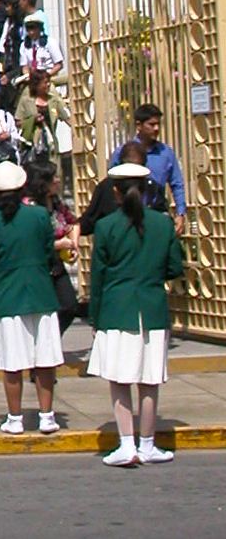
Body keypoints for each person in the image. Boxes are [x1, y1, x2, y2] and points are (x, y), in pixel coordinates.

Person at [87, 163, 184, 466]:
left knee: (119, 379)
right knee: (149, 380)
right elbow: (174, 268)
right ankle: (148, 443)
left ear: (115, 191)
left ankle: (126, 443)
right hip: (152, 307)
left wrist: (95, 315)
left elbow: (99, 275)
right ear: (145, 190)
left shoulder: (105, 226)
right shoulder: (163, 224)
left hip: (117, 308)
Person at [0, 162, 63, 435]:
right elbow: (49, 251)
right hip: (41, 292)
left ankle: (15, 418)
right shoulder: (38, 216)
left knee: (11, 363)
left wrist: (0, 281)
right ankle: (46, 415)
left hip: (7, 295)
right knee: (45, 360)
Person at [109, 103, 186, 235]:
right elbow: (111, 184)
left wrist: (181, 213)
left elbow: (177, 184)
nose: (156, 128)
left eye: (158, 124)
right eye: (151, 124)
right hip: (129, 216)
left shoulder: (166, 153)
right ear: (139, 125)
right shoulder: (123, 152)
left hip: (157, 213)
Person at [22, 162, 81, 336]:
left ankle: (52, 339)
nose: (57, 181)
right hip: (38, 263)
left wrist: (73, 243)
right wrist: (58, 244)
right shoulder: (29, 207)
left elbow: (73, 222)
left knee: (69, 305)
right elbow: (31, 240)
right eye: (52, 178)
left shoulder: (56, 203)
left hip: (56, 263)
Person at [80, 141, 167, 235]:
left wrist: (73, 227)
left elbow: (88, 223)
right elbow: (162, 218)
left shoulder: (106, 186)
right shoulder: (152, 187)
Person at [15, 69, 70, 173]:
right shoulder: (26, 100)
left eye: (49, 81)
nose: (48, 85)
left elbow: (67, 118)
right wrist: (32, 120)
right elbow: (18, 122)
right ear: (36, 84)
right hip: (33, 148)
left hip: (50, 146)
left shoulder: (53, 99)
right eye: (45, 82)